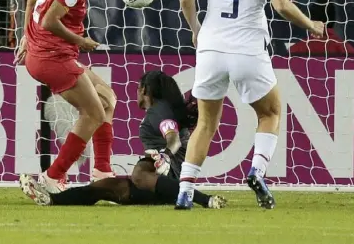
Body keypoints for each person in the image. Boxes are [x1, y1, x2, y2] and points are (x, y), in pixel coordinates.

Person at [176, 0, 325, 210]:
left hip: (211, 50)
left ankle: (185, 191)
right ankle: (257, 172)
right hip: (247, 50)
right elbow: (281, 5)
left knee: (205, 123)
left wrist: (196, 30)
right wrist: (311, 25)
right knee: (269, 114)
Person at [15, 0, 117, 193]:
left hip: (42, 53)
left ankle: (102, 172)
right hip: (52, 58)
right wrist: (81, 41)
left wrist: (25, 37)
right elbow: (49, 19)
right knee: (94, 114)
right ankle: (52, 176)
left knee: (108, 99)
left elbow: (31, 1)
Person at [19, 71, 227, 209]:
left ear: (145, 90)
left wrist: (165, 156)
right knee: (103, 187)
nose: (136, 92)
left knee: (138, 173)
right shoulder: (161, 110)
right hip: (159, 182)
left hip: (166, 171)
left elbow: (173, 139)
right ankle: (52, 199)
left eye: (138, 87)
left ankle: (203, 199)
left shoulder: (158, 112)